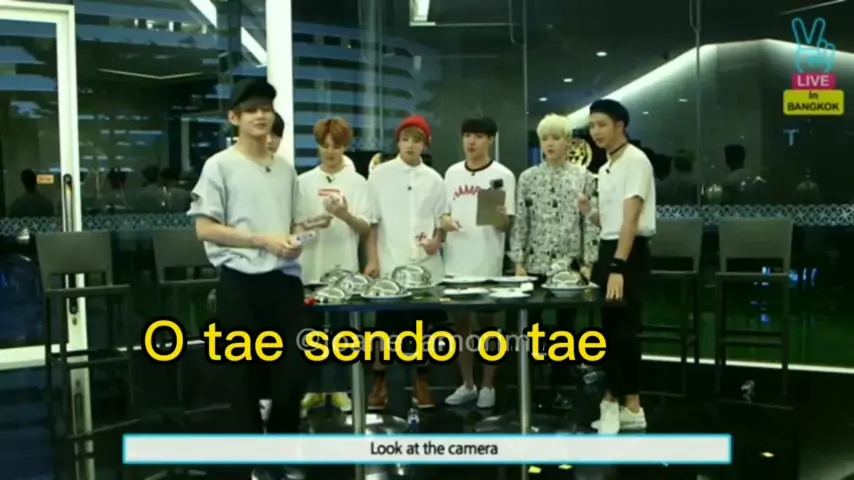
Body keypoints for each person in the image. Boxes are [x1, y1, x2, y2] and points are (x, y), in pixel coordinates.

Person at [187, 78, 308, 480]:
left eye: (266, 109)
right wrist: (261, 240)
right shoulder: (219, 166)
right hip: (239, 283)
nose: (260, 115)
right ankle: (256, 458)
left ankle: (282, 451)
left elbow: (292, 223)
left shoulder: (285, 170)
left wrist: (294, 241)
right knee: (242, 378)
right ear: (234, 117)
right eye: (252, 109)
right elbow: (205, 229)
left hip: (284, 283)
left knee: (293, 373)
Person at [508, 113, 599, 409]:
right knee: (531, 326)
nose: (550, 144)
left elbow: (590, 223)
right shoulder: (528, 178)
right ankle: (531, 387)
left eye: (556, 138)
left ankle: (560, 386)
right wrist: (518, 260)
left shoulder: (584, 178)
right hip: (534, 263)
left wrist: (588, 262)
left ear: (569, 142)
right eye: (545, 138)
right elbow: (521, 221)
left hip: (568, 265)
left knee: (565, 328)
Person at [364, 115, 447, 410]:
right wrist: (373, 260)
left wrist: (438, 240)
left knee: (423, 330)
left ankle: (421, 382)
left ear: (426, 145)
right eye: (405, 139)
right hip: (390, 265)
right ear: (398, 142)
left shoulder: (435, 179)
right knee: (384, 331)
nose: (410, 145)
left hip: (426, 268)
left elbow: (442, 221)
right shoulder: (379, 175)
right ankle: (379, 383)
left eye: (417, 140)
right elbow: (372, 223)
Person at [582, 98, 655, 434]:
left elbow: (631, 221)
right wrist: (589, 213)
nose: (595, 132)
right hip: (610, 248)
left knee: (624, 332)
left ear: (620, 126)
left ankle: (619, 404)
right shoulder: (606, 167)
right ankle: (628, 407)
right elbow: (610, 222)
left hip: (629, 254)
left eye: (602, 125)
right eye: (592, 126)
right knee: (611, 332)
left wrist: (617, 266)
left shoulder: (635, 161)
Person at [297, 117, 371, 416]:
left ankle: (341, 390)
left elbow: (365, 228)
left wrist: (344, 215)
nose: (330, 151)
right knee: (309, 333)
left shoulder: (358, 182)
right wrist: (313, 224)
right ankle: (313, 391)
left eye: (336, 146)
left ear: (345, 147)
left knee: (343, 333)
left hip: (344, 271)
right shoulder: (303, 182)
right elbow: (294, 229)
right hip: (309, 268)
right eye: (325, 145)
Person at [440, 116, 515, 409]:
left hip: (487, 262)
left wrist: (501, 218)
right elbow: (443, 213)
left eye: (479, 136)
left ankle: (488, 385)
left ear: (491, 139)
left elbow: (507, 225)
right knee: (461, 327)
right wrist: (445, 222)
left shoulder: (502, 175)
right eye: (467, 135)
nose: (471, 141)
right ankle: (467, 384)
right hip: (456, 263)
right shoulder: (452, 173)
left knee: (488, 327)